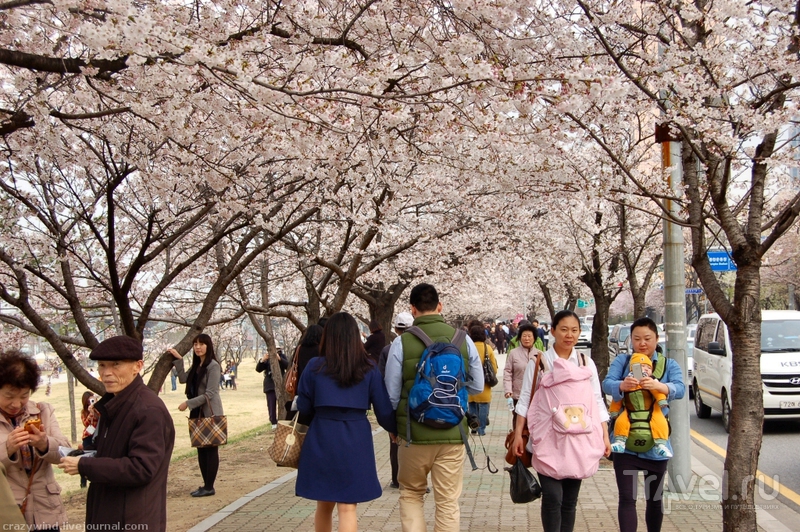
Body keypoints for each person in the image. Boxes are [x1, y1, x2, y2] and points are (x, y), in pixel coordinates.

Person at [384, 283, 484, 532]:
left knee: (411, 494)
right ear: (440, 306)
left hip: (412, 435)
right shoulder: (463, 339)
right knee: (448, 502)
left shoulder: (401, 343)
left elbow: (392, 395)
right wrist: (454, 393)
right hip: (453, 433)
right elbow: (478, 386)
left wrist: (393, 428)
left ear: (412, 309)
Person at [59, 336, 175, 530]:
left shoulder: (147, 410)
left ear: (137, 366)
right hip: (108, 512)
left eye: (116, 365)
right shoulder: (113, 404)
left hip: (132, 519)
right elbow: (111, 454)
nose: (106, 373)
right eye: (102, 366)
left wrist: (86, 466)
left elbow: (141, 468)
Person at [295, 312, 396, 532]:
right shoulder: (368, 368)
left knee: (324, 503)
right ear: (355, 337)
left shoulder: (314, 367)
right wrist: (394, 430)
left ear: (327, 337)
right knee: (348, 507)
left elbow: (303, 407)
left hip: (322, 435)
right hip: (355, 437)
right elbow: (383, 409)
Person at [511, 310, 611, 532]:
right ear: (553, 331)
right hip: (548, 441)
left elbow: (596, 400)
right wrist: (518, 434)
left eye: (574, 330)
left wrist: (604, 435)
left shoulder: (585, 362)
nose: (570, 335)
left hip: (578, 442)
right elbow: (525, 399)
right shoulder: (539, 362)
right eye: (564, 329)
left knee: (569, 501)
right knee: (553, 498)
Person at [603, 317, 685, 532]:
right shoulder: (623, 361)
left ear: (657, 339)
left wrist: (660, 386)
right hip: (625, 441)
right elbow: (607, 383)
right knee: (627, 499)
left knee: (655, 499)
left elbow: (680, 388)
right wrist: (622, 385)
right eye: (636, 338)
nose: (642, 343)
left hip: (657, 441)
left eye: (647, 338)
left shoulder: (669, 364)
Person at [0, 349, 68, 530]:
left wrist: (44, 444)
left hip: (46, 511)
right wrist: (7, 449)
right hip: (8, 513)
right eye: (9, 396)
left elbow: (66, 452)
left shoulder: (43, 411)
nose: (16, 404)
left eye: (24, 396)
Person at [169, 334, 224, 497]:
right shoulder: (197, 365)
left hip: (209, 411)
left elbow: (211, 393)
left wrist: (188, 403)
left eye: (201, 344)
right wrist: (179, 361)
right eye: (195, 344)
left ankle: (209, 486)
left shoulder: (213, 366)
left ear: (208, 346)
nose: (198, 347)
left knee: (211, 449)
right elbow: (184, 379)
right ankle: (205, 485)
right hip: (197, 412)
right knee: (201, 448)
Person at [608, 353, 671, 457]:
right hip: (630, 412)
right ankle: (620, 442)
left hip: (653, 411)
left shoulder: (652, 381)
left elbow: (660, 392)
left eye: (648, 367)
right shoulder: (627, 380)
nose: (645, 369)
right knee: (621, 421)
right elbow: (617, 398)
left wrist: (662, 400)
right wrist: (614, 411)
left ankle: (660, 445)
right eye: (642, 366)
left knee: (660, 422)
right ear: (634, 368)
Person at [378, 311, 414, 489]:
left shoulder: (387, 350)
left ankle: (396, 477)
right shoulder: (419, 346)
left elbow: (383, 376)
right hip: (415, 401)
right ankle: (416, 478)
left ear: (395, 329)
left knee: (395, 440)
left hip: (395, 402)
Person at [503, 323, 543, 422]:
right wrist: (508, 390)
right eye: (524, 336)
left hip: (536, 396)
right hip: (518, 395)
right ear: (520, 338)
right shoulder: (513, 353)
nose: (527, 339)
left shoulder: (540, 354)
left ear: (534, 338)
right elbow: (508, 372)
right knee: (518, 422)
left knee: (534, 422)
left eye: (529, 336)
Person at [285, 324, 324, 423]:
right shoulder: (320, 350)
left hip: (300, 387)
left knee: (301, 418)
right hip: (316, 389)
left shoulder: (299, 349)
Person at [467, 325, 497, 436]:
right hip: (485, 382)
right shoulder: (487, 348)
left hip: (471, 381)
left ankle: (473, 427)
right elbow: (493, 366)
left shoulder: (468, 346)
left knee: (472, 405)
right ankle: (481, 429)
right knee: (484, 405)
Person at [256, 348, 289, 426]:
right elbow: (258, 369)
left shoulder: (282, 356)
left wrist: (280, 359)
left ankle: (284, 421)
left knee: (283, 404)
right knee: (271, 405)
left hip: (281, 385)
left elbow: (288, 366)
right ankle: (273, 422)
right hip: (270, 386)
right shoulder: (267, 358)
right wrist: (263, 360)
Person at [79, 391, 100, 488]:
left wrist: (96, 408)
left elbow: (102, 418)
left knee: (97, 457)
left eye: (92, 400)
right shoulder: (84, 412)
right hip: (88, 436)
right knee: (86, 458)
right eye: (89, 401)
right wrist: (90, 413)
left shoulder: (98, 408)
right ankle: (83, 483)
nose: (90, 403)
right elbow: (86, 424)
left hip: (97, 435)